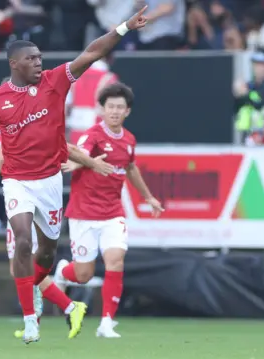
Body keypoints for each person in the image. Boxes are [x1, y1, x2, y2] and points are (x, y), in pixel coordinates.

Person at [0, 8, 149, 344]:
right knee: (22, 241)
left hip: (50, 182)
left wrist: (124, 28)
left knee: (47, 255)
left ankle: (52, 298)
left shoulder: (56, 81)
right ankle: (30, 319)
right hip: (17, 182)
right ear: (14, 64)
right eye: (32, 58)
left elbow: (93, 52)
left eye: (40, 57)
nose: (39, 62)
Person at [0, 77, 109, 339]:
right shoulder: (13, 113)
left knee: (22, 263)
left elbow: (1, 155)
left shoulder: (11, 115)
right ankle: (39, 317)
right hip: (28, 191)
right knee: (23, 264)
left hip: (30, 192)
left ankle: (64, 308)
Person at [53, 83, 164, 338]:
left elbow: (131, 168)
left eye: (120, 107)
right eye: (110, 106)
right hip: (83, 213)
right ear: (101, 109)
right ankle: (62, 271)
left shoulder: (129, 140)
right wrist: (76, 164)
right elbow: (80, 153)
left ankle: (106, 322)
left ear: (127, 112)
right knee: (83, 274)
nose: (115, 111)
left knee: (116, 260)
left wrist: (148, 197)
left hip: (113, 213)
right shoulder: (92, 135)